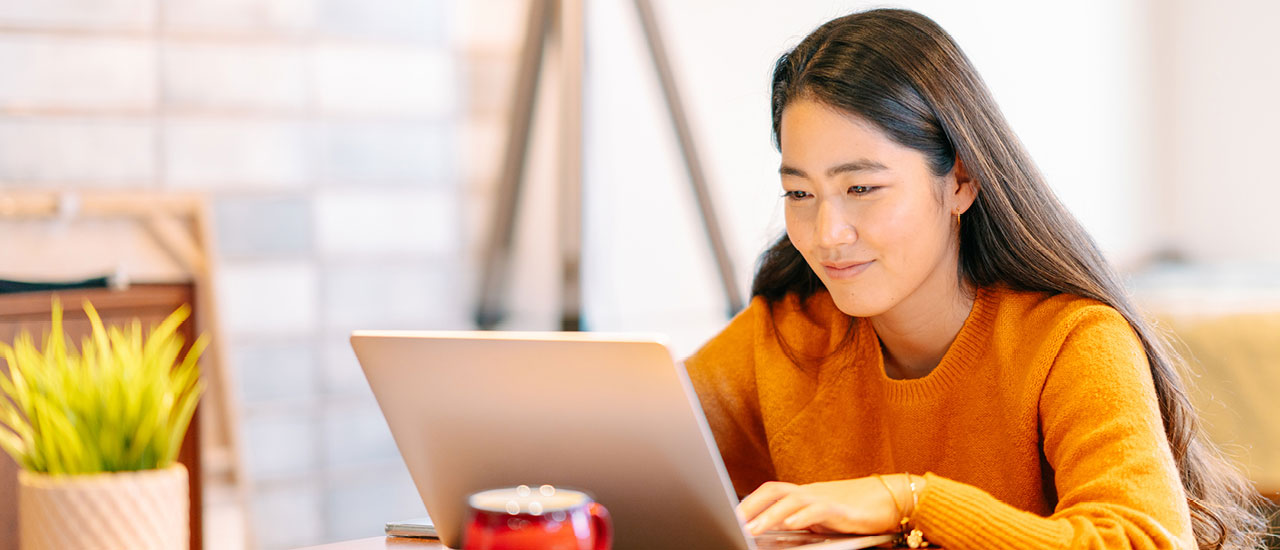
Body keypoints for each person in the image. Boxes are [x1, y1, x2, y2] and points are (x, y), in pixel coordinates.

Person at [683, 8, 1269, 550]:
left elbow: (1145, 541)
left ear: (961, 180)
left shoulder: (1071, 340)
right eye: (800, 193)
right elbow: (623, 458)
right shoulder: (786, 335)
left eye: (861, 189)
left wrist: (910, 500)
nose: (826, 232)